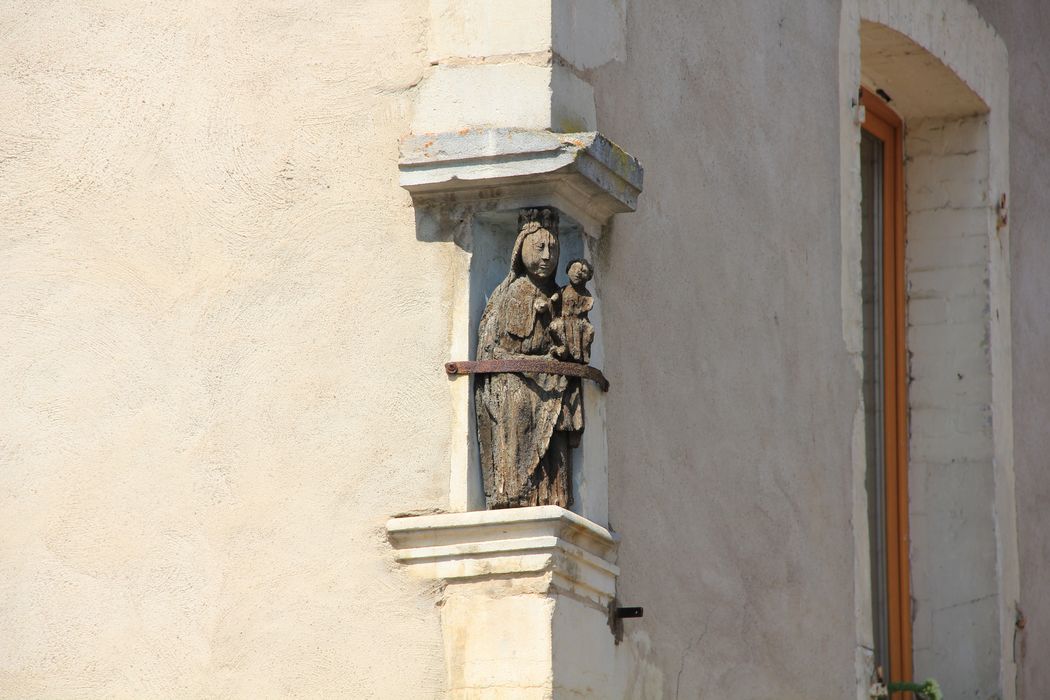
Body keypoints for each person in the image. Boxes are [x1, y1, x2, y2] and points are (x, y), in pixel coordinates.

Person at [474, 208, 576, 508]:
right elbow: (490, 346)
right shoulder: (508, 294)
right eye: (539, 247)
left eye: (553, 249)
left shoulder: (561, 297)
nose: (547, 256)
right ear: (521, 249)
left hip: (548, 376)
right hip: (512, 378)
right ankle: (514, 489)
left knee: (561, 403)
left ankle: (550, 492)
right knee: (516, 401)